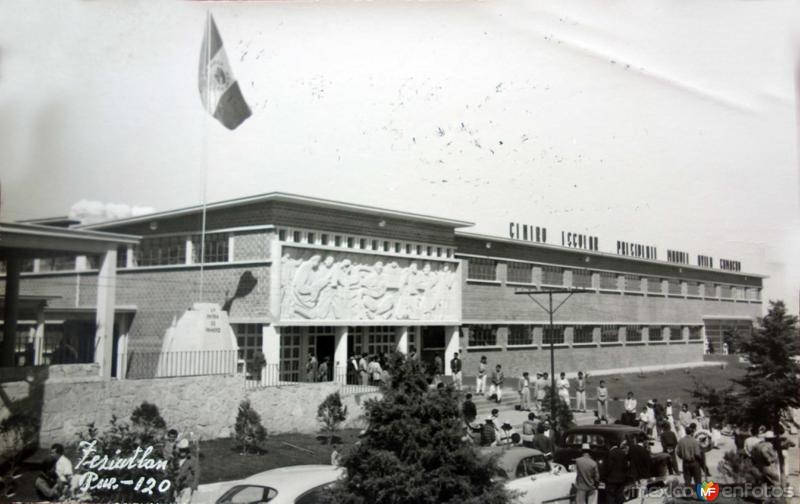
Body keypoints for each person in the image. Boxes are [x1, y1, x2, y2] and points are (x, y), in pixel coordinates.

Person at [173, 438, 199, 504]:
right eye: (181, 450)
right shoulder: (176, 460)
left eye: (184, 450)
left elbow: (196, 473)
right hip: (177, 486)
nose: (182, 452)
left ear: (187, 450)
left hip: (187, 486)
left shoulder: (191, 460)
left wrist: (194, 486)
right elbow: (172, 471)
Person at [604, 438, 629, 504]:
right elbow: (626, 466)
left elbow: (609, 467)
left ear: (610, 445)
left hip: (611, 479)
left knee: (611, 496)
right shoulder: (622, 453)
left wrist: (605, 476)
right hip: (621, 479)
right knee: (619, 495)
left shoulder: (610, 453)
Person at [628, 434, 651, 503]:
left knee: (635, 489)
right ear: (643, 441)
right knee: (642, 491)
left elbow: (629, 459)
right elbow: (648, 463)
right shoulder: (645, 451)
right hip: (643, 474)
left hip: (634, 472)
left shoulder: (632, 449)